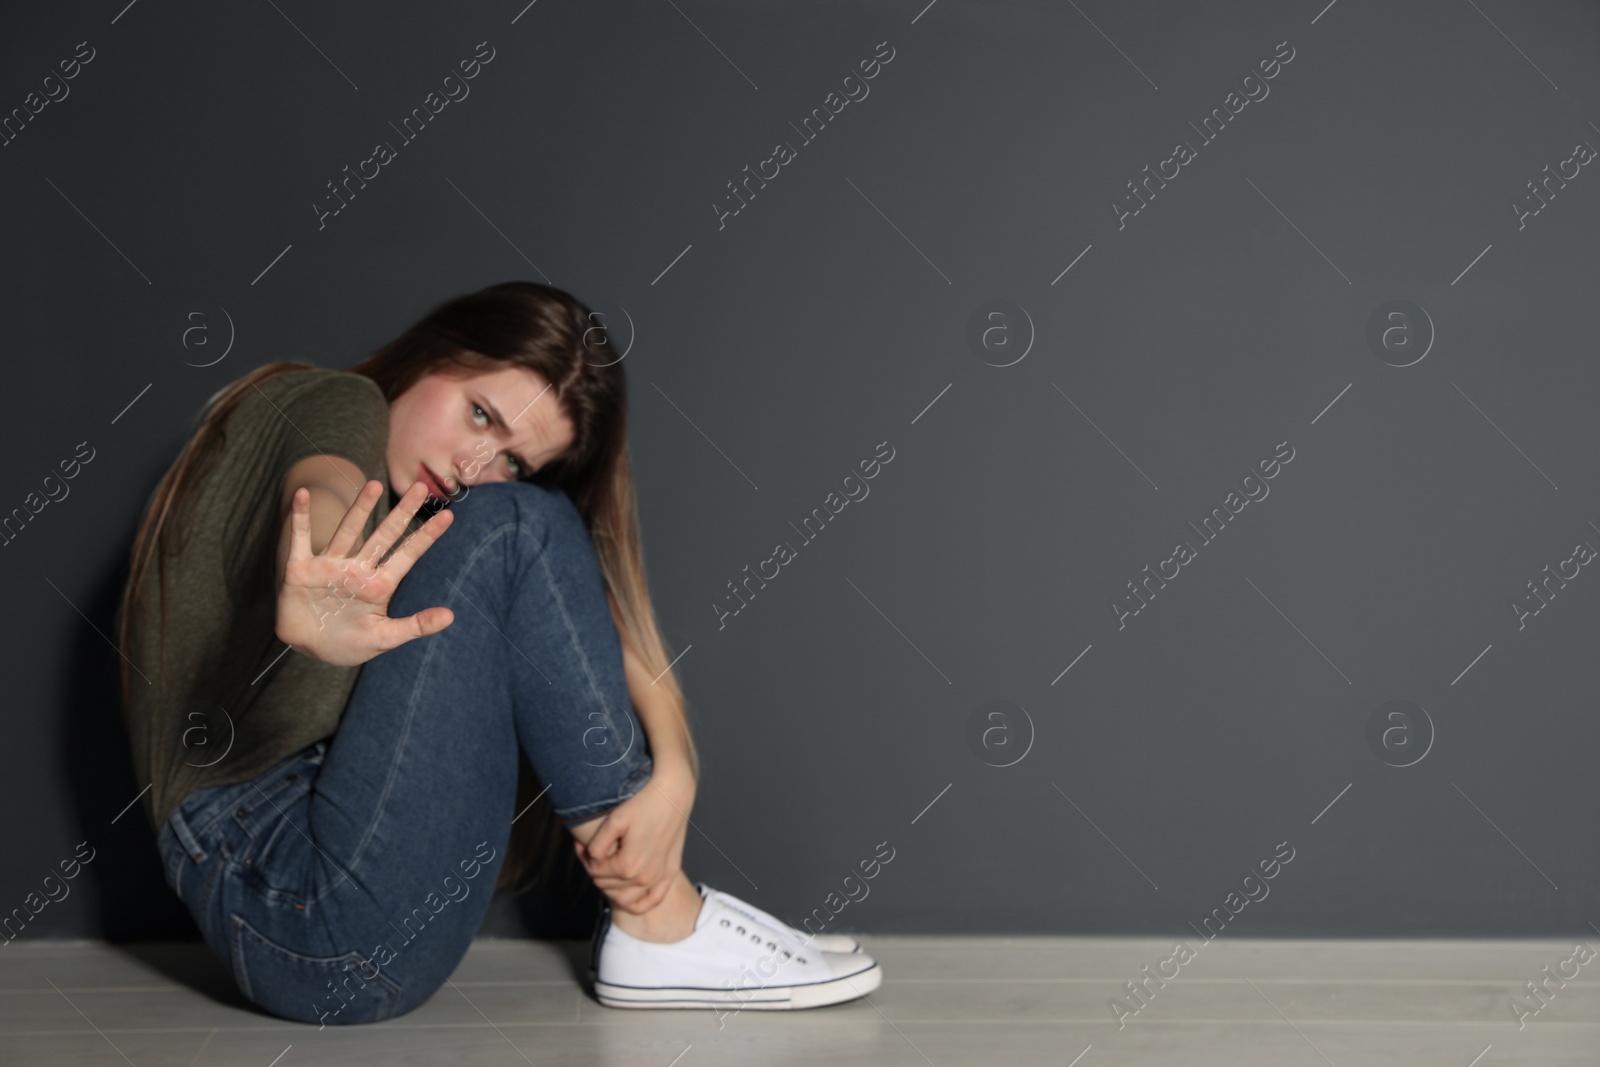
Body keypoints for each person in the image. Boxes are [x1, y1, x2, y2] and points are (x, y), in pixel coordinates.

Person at [115, 280, 880, 1024]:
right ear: (434, 355)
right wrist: (318, 553)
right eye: (480, 415)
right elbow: (323, 474)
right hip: (296, 902)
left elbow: (601, 627)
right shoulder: (327, 402)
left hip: (365, 934)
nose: (476, 467)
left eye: (516, 459)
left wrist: (676, 767)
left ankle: (664, 913)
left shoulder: (435, 529)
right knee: (515, 525)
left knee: (521, 527)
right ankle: (662, 923)